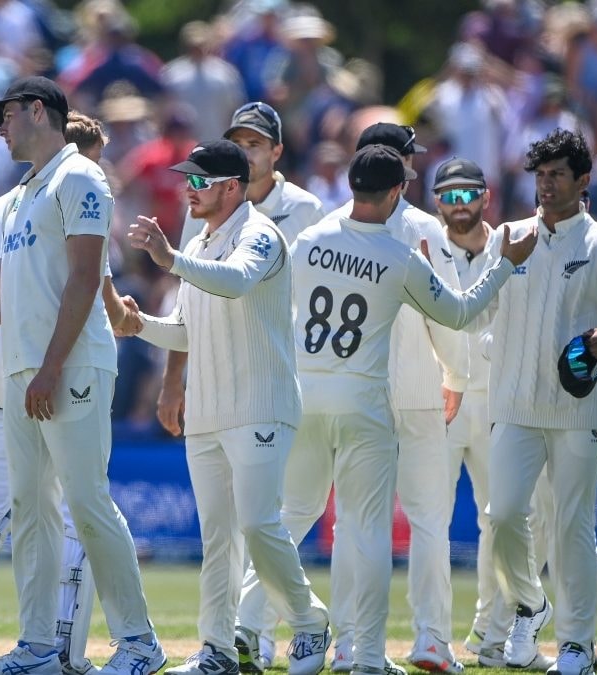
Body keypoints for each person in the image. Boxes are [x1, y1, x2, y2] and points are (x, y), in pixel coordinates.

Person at [0, 77, 166, 675]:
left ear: (39, 111)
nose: (0, 127)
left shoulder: (80, 178)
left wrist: (50, 369)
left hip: (68, 367)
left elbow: (83, 281)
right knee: (32, 512)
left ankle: (138, 644)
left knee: (86, 504)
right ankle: (39, 647)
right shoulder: (24, 195)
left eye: (8, 115)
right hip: (26, 372)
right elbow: (0, 301)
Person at [258, 143, 535, 675]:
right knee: (374, 529)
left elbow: (280, 313)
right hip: (369, 404)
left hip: (306, 399)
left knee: (293, 521)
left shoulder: (310, 239)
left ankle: (318, 638)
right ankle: (368, 655)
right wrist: (504, 267)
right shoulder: (402, 253)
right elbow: (457, 313)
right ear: (394, 192)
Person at [121, 140, 330, 675]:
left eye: (199, 182)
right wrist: (139, 324)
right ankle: (217, 649)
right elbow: (186, 328)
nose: (188, 190)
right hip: (209, 411)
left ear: (231, 187)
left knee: (259, 525)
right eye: (187, 181)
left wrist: (169, 258)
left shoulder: (259, 234)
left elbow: (237, 283)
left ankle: (308, 622)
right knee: (218, 537)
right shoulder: (204, 239)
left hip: (261, 405)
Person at [483, 128, 597, 675]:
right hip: (512, 404)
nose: (546, 185)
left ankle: (577, 644)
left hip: (577, 409)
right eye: (540, 175)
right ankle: (532, 605)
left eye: (557, 175)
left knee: (571, 524)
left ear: (582, 182)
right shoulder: (508, 236)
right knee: (502, 516)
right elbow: (481, 311)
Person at [348, 123, 470, 675]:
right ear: (400, 168)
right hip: (419, 387)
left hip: (359, 390)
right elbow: (447, 313)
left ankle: (350, 642)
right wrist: (458, 376)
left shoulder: (334, 225)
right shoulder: (425, 227)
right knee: (427, 519)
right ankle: (429, 638)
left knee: (355, 521)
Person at [435, 158, 555, 670]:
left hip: (499, 399)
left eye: (469, 194)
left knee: (514, 518)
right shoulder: (422, 241)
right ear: (435, 198)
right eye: (449, 195)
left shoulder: (515, 241)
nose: (459, 205)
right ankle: (431, 639)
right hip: (434, 400)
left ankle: (493, 631)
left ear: (486, 196)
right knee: (428, 521)